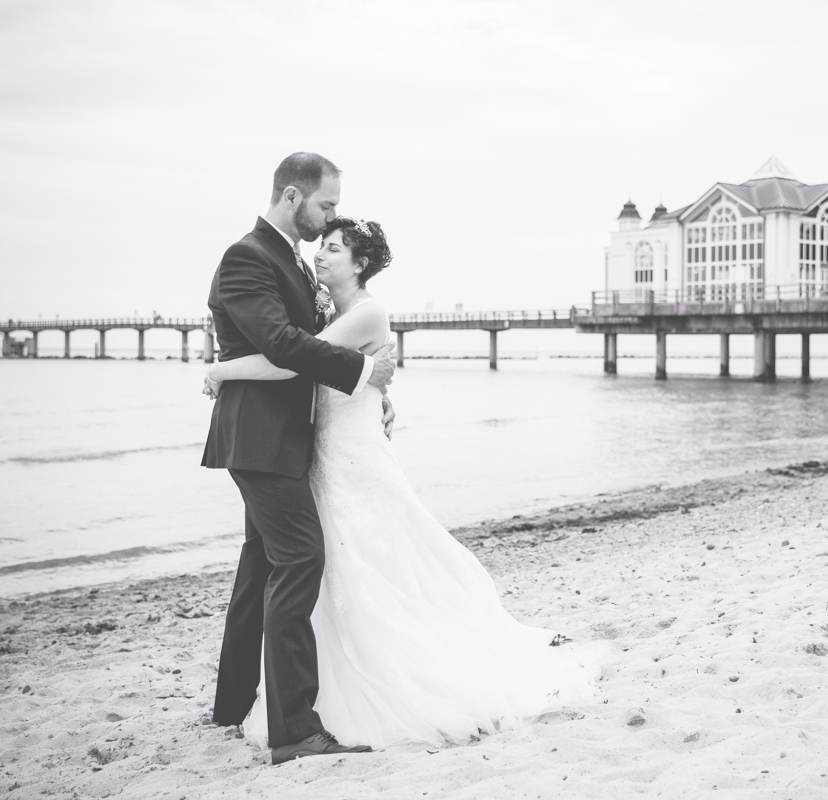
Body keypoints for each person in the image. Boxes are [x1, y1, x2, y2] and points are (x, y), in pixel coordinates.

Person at [204, 216, 599, 755]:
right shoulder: (330, 308)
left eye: (335, 248)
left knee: (365, 562)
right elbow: (333, 364)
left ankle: (317, 699)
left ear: (360, 263)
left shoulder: (367, 311)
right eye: (322, 245)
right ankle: (259, 700)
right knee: (320, 565)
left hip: (348, 456)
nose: (322, 254)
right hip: (320, 452)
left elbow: (291, 362)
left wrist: (221, 371)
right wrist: (375, 385)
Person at [202, 153, 397, 765]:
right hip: (259, 439)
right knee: (301, 558)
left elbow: (308, 344)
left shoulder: (286, 258)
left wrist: (373, 395)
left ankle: (233, 704)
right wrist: (366, 371)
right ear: (292, 196)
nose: (330, 217)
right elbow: (285, 346)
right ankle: (293, 731)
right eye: (326, 206)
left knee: (262, 564)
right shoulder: (248, 258)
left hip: (287, 438)